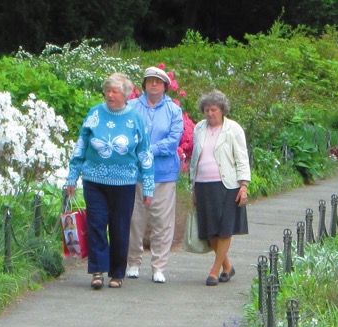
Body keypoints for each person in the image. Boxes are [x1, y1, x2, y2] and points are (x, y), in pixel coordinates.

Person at [66, 73, 153, 289]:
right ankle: (97, 271)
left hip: (124, 183)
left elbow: (144, 152)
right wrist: (72, 176)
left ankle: (117, 273)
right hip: (94, 179)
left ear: (125, 94)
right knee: (96, 223)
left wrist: (148, 186)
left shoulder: (135, 118)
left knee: (119, 227)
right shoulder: (95, 113)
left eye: (115, 91)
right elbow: (81, 145)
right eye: (108, 91)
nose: (110, 95)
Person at [126, 65, 184, 283]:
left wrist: (147, 150)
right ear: (144, 84)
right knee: (135, 219)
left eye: (158, 82)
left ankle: (159, 266)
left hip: (163, 174)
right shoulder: (131, 107)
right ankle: (133, 262)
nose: (153, 84)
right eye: (150, 81)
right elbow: (126, 133)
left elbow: (173, 141)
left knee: (162, 222)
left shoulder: (173, 110)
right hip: (136, 174)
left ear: (165, 87)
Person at [188, 89, 250, 287]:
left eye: (213, 109)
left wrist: (243, 186)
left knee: (224, 230)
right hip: (203, 185)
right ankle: (227, 267)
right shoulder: (199, 128)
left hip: (227, 186)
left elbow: (242, 157)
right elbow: (194, 159)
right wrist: (193, 186)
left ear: (222, 110)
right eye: (206, 110)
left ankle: (214, 271)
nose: (209, 113)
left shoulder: (233, 129)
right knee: (210, 231)